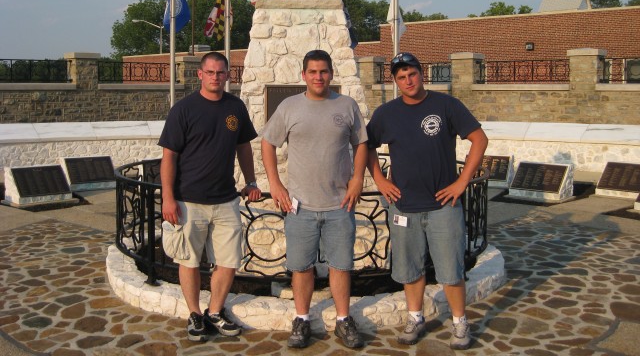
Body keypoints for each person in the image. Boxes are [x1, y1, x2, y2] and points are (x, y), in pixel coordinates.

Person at [366, 52, 488, 350]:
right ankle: (415, 317)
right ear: (395, 81)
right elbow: (366, 146)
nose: (408, 81)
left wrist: (462, 182)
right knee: (410, 268)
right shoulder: (386, 113)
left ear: (422, 74)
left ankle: (460, 323)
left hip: (443, 207)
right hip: (404, 206)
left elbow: (479, 139)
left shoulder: (446, 105)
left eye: (412, 74)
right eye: (401, 77)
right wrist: (380, 180)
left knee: (451, 269)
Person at [261, 49, 368, 349]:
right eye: (312, 72)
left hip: (339, 205)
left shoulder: (346, 105)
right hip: (300, 207)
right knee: (301, 267)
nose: (318, 77)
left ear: (331, 73)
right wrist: (275, 184)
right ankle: (302, 319)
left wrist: (358, 178)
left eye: (323, 71)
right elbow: (268, 144)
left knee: (341, 266)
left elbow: (361, 143)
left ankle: (343, 320)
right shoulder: (289, 107)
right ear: (303, 75)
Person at [159, 51, 261, 343]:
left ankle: (215, 311)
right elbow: (169, 157)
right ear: (200, 75)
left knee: (228, 261)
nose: (216, 77)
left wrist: (251, 180)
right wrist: (168, 198)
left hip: (226, 200)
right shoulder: (184, 109)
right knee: (188, 261)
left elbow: (243, 148)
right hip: (188, 201)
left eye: (221, 73)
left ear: (228, 75)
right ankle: (194, 314)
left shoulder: (235, 107)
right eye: (211, 72)